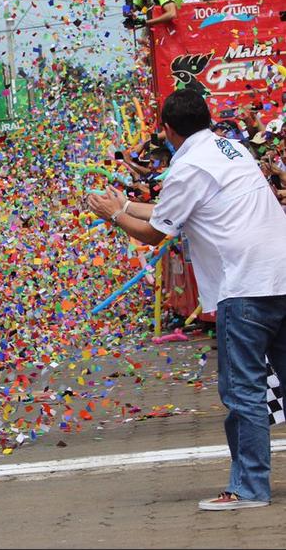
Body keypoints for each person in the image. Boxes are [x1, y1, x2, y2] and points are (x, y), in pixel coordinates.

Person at [87, 88, 286, 510]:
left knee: (244, 392)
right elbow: (174, 210)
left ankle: (249, 488)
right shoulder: (229, 149)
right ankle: (250, 483)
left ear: (167, 129)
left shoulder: (188, 165)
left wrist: (115, 215)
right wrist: (127, 204)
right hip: (280, 275)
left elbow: (156, 232)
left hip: (244, 286)